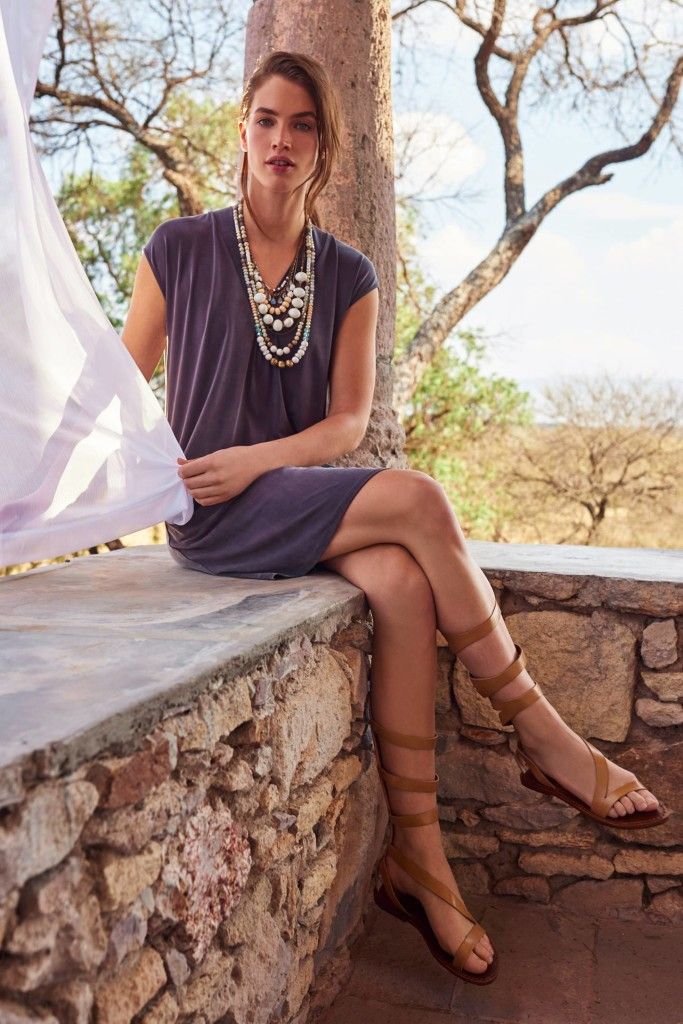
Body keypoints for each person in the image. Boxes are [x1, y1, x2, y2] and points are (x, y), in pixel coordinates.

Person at [122, 50, 668, 986]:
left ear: (324, 146)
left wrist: (260, 455)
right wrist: (103, 490)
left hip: (285, 490)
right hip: (213, 515)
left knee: (406, 584)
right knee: (417, 496)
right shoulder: (178, 248)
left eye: (301, 125)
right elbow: (121, 386)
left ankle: (421, 864)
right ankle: (541, 733)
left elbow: (344, 422)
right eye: (266, 120)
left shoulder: (350, 273)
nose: (280, 140)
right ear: (241, 130)